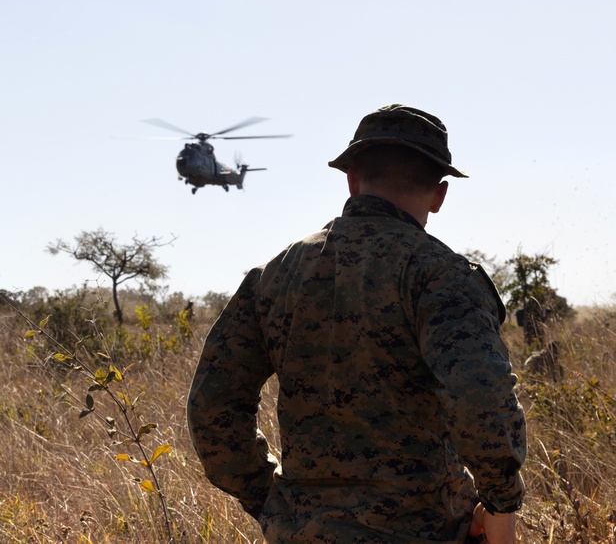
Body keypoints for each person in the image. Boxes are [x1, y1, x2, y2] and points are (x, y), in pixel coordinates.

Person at [187, 105, 526, 544]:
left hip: (301, 531)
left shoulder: (275, 275)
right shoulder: (442, 274)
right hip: (428, 529)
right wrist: (501, 505)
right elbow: (480, 395)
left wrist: (269, 499)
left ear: (351, 179)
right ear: (440, 194)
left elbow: (212, 406)